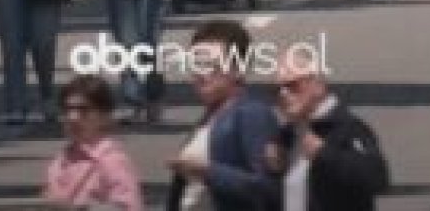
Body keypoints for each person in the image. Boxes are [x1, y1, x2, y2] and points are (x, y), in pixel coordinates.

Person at [167, 19, 280, 211]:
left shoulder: (251, 114)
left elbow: (268, 190)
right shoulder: (210, 117)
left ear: (238, 70)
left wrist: (209, 172)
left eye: (211, 65)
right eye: (195, 64)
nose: (200, 73)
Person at [269, 47, 390, 211]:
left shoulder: (348, 127)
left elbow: (377, 179)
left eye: (293, 85)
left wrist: (324, 154)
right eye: (277, 89)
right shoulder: (287, 134)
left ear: (318, 85)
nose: (283, 94)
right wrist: (274, 169)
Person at [44, 75, 144, 211]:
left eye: (83, 110)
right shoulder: (62, 159)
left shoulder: (112, 161)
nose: (73, 118)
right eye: (67, 110)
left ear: (104, 116)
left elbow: (128, 206)